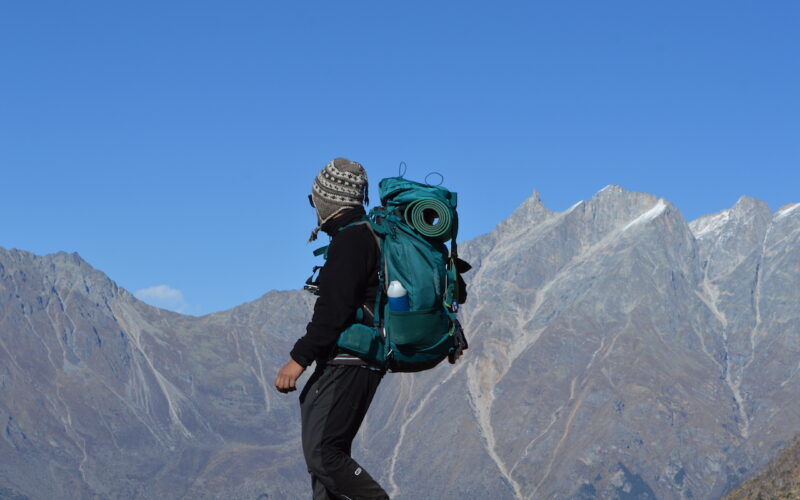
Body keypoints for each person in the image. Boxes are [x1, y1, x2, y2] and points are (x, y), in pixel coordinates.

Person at [274, 158, 390, 499]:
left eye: (315, 200)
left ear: (330, 201)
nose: (314, 208)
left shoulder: (352, 241)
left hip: (348, 361)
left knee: (323, 454)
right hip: (355, 361)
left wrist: (298, 360)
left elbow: (333, 310)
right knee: (325, 463)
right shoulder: (364, 236)